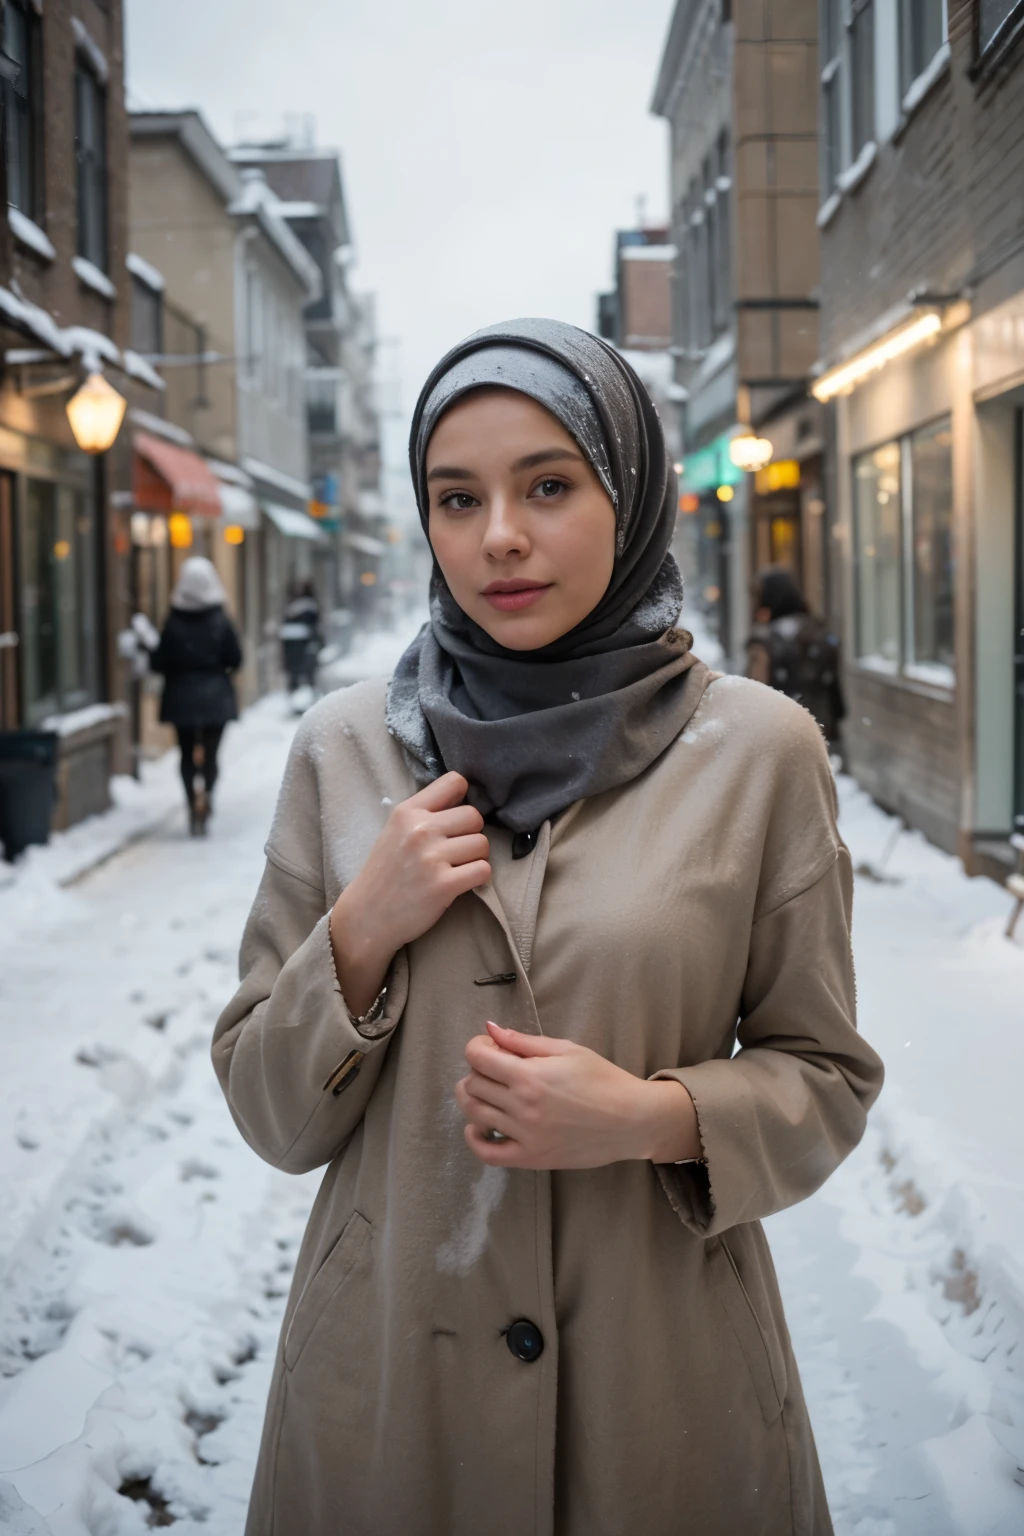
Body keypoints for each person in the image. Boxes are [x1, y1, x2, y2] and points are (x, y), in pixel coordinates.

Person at [213, 320, 884, 1536]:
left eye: (548, 486)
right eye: (455, 497)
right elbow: (271, 1115)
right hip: (388, 1404)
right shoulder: (341, 751)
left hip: (661, 1389)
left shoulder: (758, 751)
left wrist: (651, 1116)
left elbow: (826, 1078)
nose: (498, 538)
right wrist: (360, 930)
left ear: (627, 496)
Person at [151, 556, 242, 837]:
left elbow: (158, 662)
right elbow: (236, 658)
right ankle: (209, 794)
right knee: (212, 753)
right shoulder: (220, 619)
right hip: (216, 695)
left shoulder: (173, 621)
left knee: (187, 753)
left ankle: (192, 803)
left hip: (181, 697)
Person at [746, 566, 845, 748]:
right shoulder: (817, 630)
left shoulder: (765, 638)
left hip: (778, 734)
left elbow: (755, 689)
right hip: (819, 729)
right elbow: (834, 692)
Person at [280, 577, 322, 695]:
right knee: (306, 674)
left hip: (296, 647)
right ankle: (304, 694)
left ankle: (298, 694)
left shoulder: (292, 607)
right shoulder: (310, 606)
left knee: (297, 674)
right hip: (302, 646)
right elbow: (315, 624)